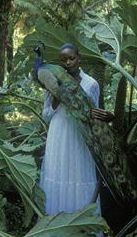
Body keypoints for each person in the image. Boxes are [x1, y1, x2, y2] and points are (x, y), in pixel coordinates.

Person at [39, 43, 113, 215]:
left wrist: (109, 117)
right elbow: (46, 115)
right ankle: (57, 223)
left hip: (80, 137)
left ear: (78, 58)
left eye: (71, 58)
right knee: (58, 173)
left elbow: (94, 115)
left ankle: (82, 226)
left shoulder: (91, 84)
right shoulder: (53, 81)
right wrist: (57, 98)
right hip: (58, 134)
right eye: (63, 60)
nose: (68, 63)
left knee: (78, 175)